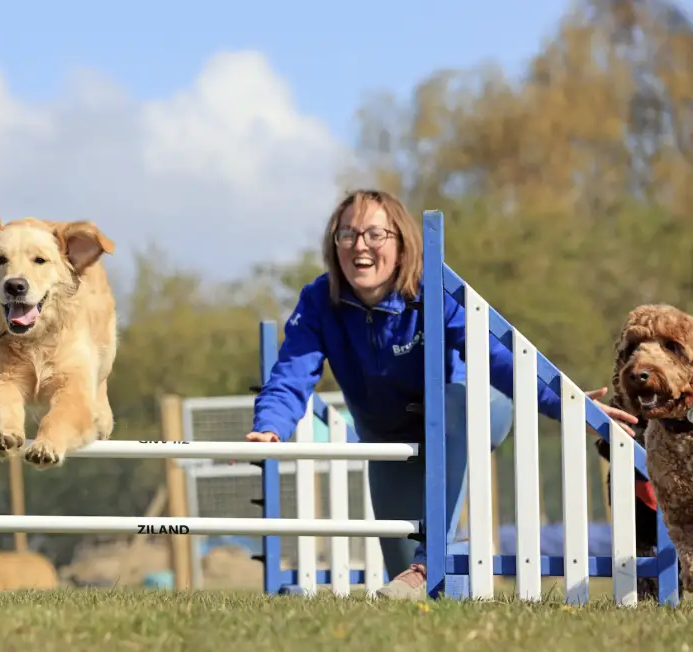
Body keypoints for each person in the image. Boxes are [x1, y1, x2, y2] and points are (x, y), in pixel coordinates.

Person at [245, 189, 638, 600]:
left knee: (452, 402)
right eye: (346, 234)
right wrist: (270, 427)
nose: (360, 245)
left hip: (475, 409)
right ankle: (450, 574)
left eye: (374, 234)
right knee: (411, 589)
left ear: (402, 244)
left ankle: (432, 557)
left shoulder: (430, 290)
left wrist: (570, 405)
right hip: (391, 440)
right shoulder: (318, 301)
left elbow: (498, 357)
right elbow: (291, 373)